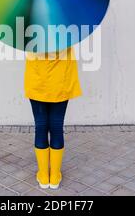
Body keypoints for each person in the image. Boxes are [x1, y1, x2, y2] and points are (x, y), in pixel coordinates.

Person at [24, 47, 82, 189]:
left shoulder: (30, 26)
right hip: (61, 80)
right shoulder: (68, 26)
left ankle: (44, 176)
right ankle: (55, 176)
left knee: (41, 125)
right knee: (57, 126)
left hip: (37, 79)